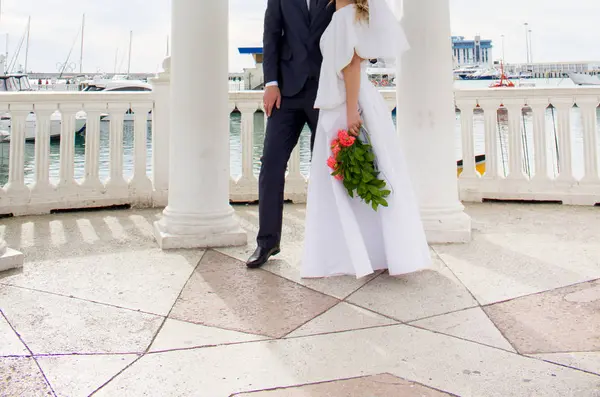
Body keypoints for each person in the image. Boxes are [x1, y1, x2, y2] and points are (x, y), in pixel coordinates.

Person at [301, 0, 432, 278]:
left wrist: (350, 113)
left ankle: (353, 254)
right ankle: (378, 251)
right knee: (372, 173)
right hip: (359, 99)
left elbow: (351, 66)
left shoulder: (344, 17)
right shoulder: (354, 16)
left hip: (347, 103)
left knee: (349, 177)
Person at [246, 0, 335, 268]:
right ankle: (267, 242)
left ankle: (329, 244)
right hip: (285, 92)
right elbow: (271, 34)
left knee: (328, 168)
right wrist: (270, 83)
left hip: (326, 90)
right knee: (271, 164)